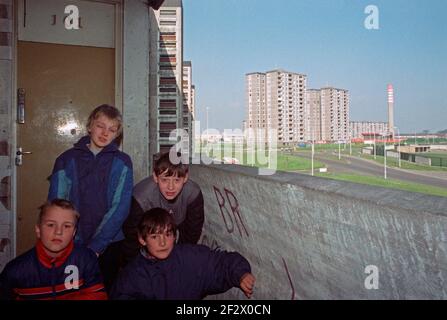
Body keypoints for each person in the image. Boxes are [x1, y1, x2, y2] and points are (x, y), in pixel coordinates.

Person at [48, 104, 133, 290]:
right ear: (89, 126)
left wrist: (97, 246)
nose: (104, 133)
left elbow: (121, 207)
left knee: (104, 289)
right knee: (70, 290)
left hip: (109, 242)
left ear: (117, 134)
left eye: (112, 129)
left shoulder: (123, 162)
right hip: (71, 240)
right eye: (100, 126)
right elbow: (56, 204)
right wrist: (69, 238)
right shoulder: (66, 159)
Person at [111, 208, 255, 300]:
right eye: (155, 236)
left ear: (175, 236)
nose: (163, 243)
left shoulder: (190, 257)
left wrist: (241, 274)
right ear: (142, 239)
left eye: (167, 235)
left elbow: (221, 262)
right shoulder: (131, 276)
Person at [0, 199, 107, 300]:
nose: (58, 232)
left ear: (74, 233)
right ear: (38, 230)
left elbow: (98, 296)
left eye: (66, 226)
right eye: (51, 225)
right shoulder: (15, 271)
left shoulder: (86, 259)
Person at [121, 151, 204, 265]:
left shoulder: (192, 193)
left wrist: (178, 261)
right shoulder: (141, 197)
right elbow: (132, 239)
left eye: (176, 180)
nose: (170, 187)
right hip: (147, 236)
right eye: (165, 179)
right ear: (155, 177)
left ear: (185, 177)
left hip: (178, 228)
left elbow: (192, 233)